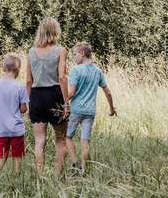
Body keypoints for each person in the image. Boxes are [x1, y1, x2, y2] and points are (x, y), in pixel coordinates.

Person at [26, 17, 70, 174]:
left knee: (39, 140)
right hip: (55, 94)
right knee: (61, 139)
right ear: (55, 31)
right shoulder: (61, 51)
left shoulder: (31, 52)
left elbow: (29, 80)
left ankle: (40, 175)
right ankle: (58, 174)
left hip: (36, 96)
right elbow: (62, 77)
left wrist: (29, 102)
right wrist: (66, 102)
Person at [65, 42, 116, 173]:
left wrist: (63, 102)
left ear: (82, 54)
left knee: (68, 137)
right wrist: (112, 108)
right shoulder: (98, 71)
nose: (74, 57)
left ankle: (74, 164)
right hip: (90, 112)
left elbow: (70, 93)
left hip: (76, 110)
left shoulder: (76, 70)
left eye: (75, 54)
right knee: (85, 140)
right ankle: (83, 169)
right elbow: (108, 92)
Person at [0, 53, 30, 176]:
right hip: (16, 129)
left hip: (0, 129)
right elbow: (23, 109)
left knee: (1, 156)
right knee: (17, 156)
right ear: (18, 69)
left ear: (3, 68)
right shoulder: (20, 87)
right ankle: (15, 179)